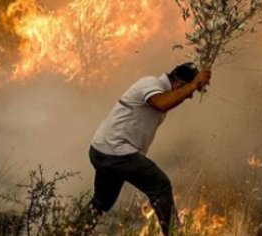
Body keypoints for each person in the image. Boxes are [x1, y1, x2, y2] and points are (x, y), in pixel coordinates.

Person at [80, 62, 211, 235]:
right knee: (160, 186)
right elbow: (161, 103)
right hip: (115, 152)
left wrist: (195, 83)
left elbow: (169, 101)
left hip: (102, 151)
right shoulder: (150, 84)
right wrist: (194, 84)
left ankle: (69, 232)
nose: (190, 96)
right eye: (189, 92)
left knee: (101, 202)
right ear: (179, 84)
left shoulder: (160, 90)